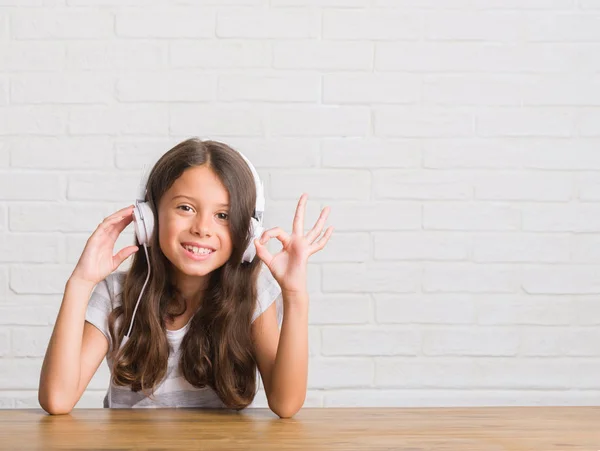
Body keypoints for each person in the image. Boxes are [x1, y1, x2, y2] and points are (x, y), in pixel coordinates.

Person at [38, 138, 333, 418]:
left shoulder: (254, 294)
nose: (202, 228)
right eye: (185, 208)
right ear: (149, 219)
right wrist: (80, 283)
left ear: (247, 233)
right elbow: (57, 400)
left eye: (223, 215)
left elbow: (286, 403)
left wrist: (295, 295)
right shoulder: (117, 294)